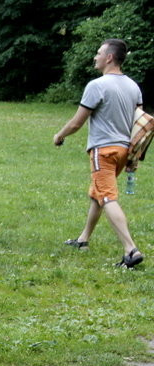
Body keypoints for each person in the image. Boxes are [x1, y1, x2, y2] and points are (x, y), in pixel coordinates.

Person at [53, 38, 144, 268]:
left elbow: (77, 122)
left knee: (107, 197)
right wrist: (135, 155)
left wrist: (59, 135)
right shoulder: (133, 86)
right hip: (123, 151)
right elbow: (139, 124)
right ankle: (83, 239)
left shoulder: (97, 85)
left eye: (99, 53)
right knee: (98, 194)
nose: (95, 57)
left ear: (109, 57)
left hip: (103, 151)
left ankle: (131, 249)